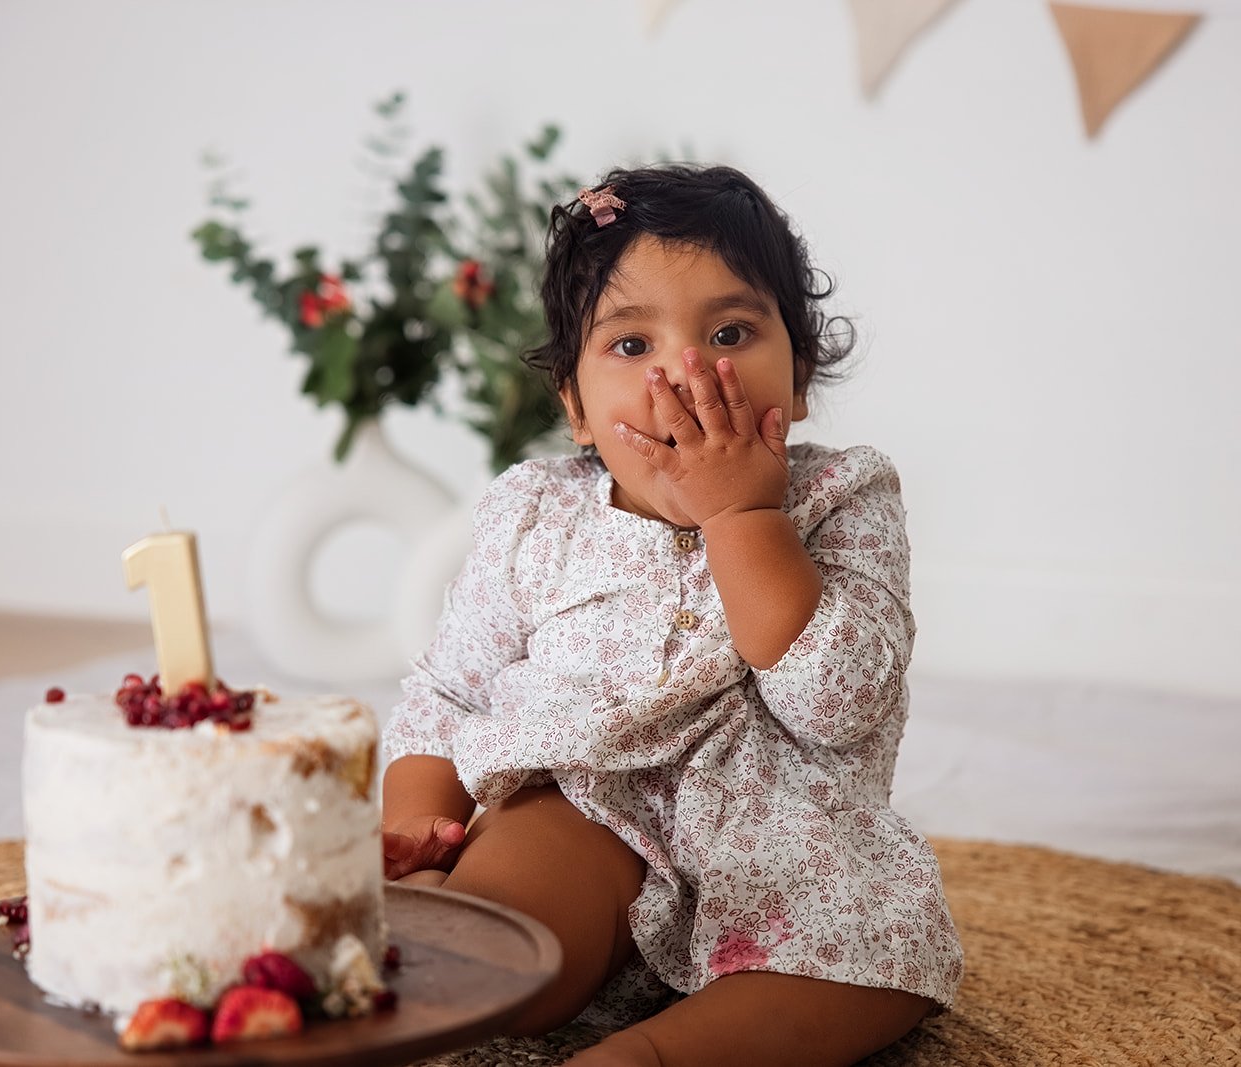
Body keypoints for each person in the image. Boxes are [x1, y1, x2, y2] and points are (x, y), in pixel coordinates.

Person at [380, 163, 964, 1067]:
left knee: (888, 953)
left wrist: (744, 517)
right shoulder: (539, 510)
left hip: (786, 848)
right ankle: (468, 944)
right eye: (629, 346)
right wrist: (422, 832)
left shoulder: (846, 494)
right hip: (579, 804)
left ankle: (657, 1055)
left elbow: (842, 701)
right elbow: (452, 687)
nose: (689, 373)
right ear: (575, 406)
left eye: (730, 331)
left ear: (799, 377)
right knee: (483, 947)